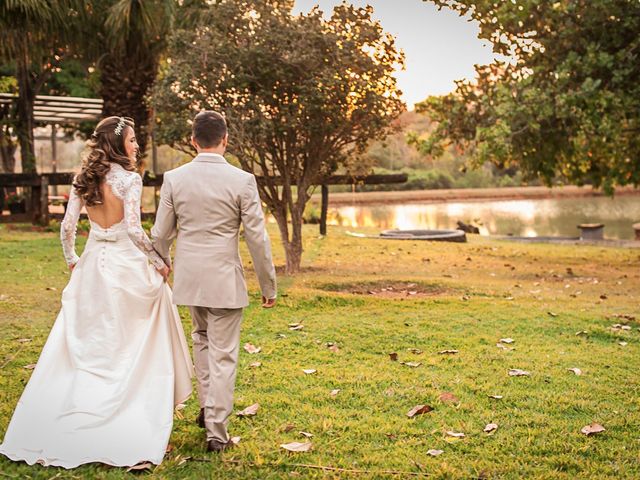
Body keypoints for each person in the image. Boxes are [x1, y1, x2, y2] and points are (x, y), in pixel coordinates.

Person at [0, 116, 193, 469]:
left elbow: (67, 226)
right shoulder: (129, 180)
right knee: (130, 337)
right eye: (133, 140)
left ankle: (70, 409)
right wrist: (158, 260)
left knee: (88, 339)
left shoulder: (83, 179)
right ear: (118, 144)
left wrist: (73, 259)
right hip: (124, 262)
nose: (136, 146)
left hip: (91, 264)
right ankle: (131, 408)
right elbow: (134, 230)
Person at [151, 110, 277, 452]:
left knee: (202, 340)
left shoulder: (175, 178)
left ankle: (208, 408)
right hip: (224, 278)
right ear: (225, 140)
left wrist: (162, 262)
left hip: (190, 278)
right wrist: (268, 285)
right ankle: (217, 432)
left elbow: (160, 233)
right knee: (223, 353)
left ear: (193, 140)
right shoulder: (242, 180)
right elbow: (257, 238)